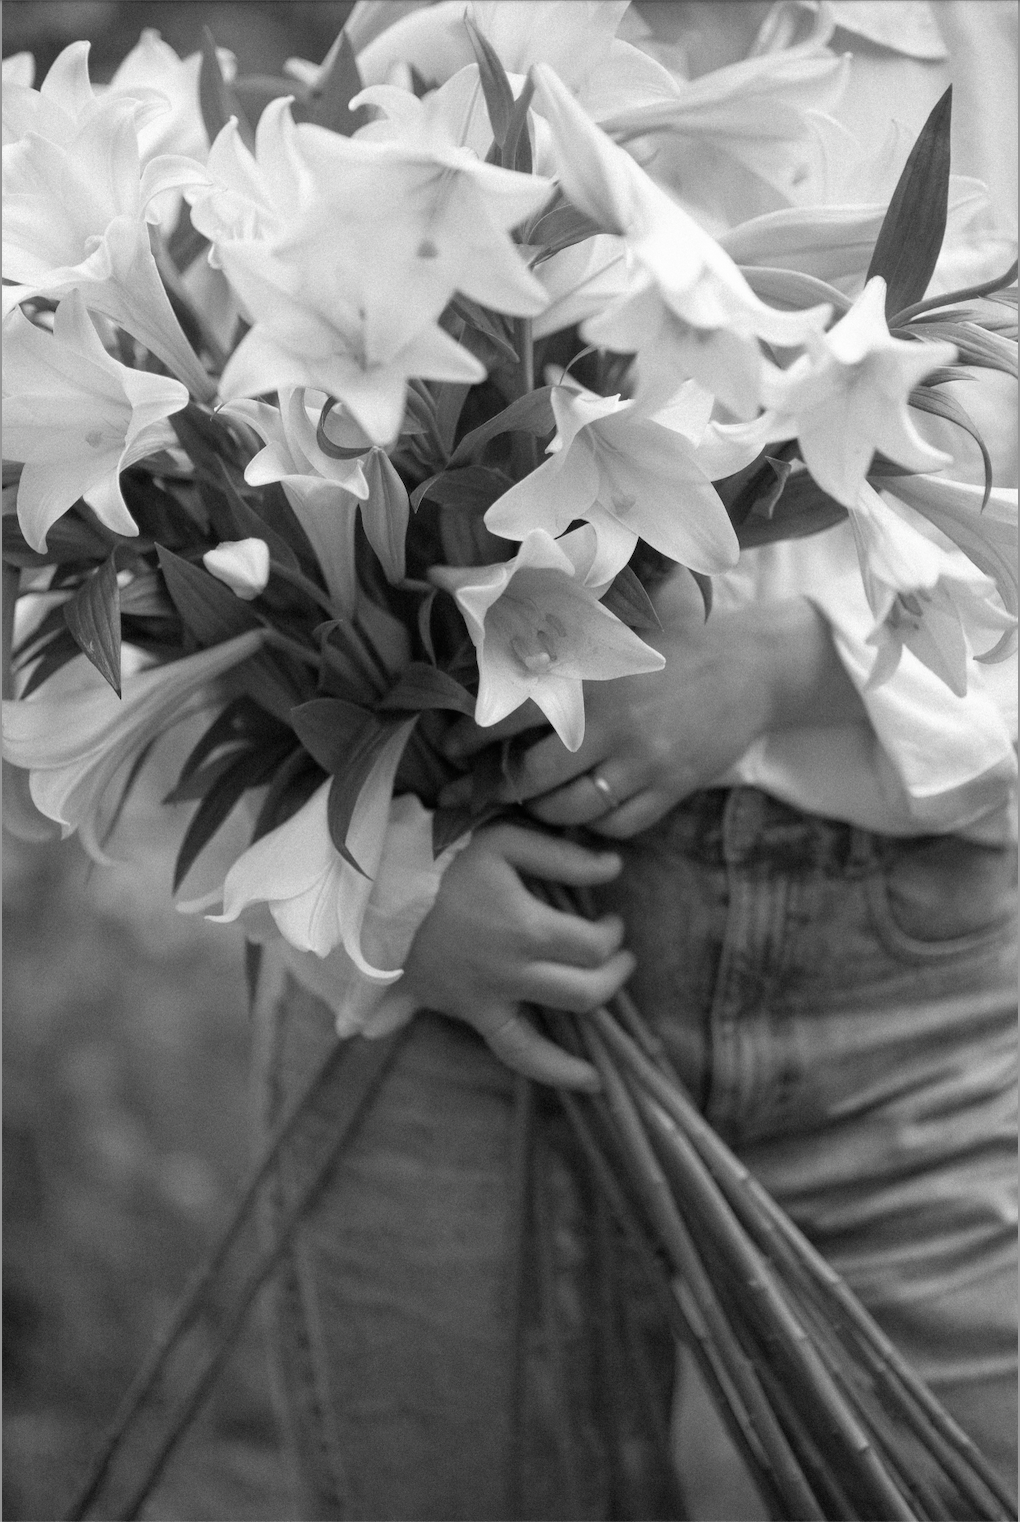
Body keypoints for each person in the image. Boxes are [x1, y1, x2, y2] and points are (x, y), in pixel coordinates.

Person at [255, 5, 1018, 1518]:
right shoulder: (435, 38)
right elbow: (239, 486)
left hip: (901, 999)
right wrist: (399, 890)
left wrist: (794, 666)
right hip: (459, 997)